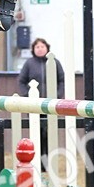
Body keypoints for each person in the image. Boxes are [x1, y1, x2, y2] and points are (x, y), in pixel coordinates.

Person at [17, 37, 65, 170]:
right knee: (36, 133)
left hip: (50, 106)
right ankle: (37, 160)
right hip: (34, 106)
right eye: (37, 47)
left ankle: (47, 162)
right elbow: (21, 81)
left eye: (42, 46)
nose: (40, 49)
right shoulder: (29, 64)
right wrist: (27, 96)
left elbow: (62, 80)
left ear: (47, 48)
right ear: (33, 49)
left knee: (48, 134)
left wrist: (57, 95)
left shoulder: (55, 63)